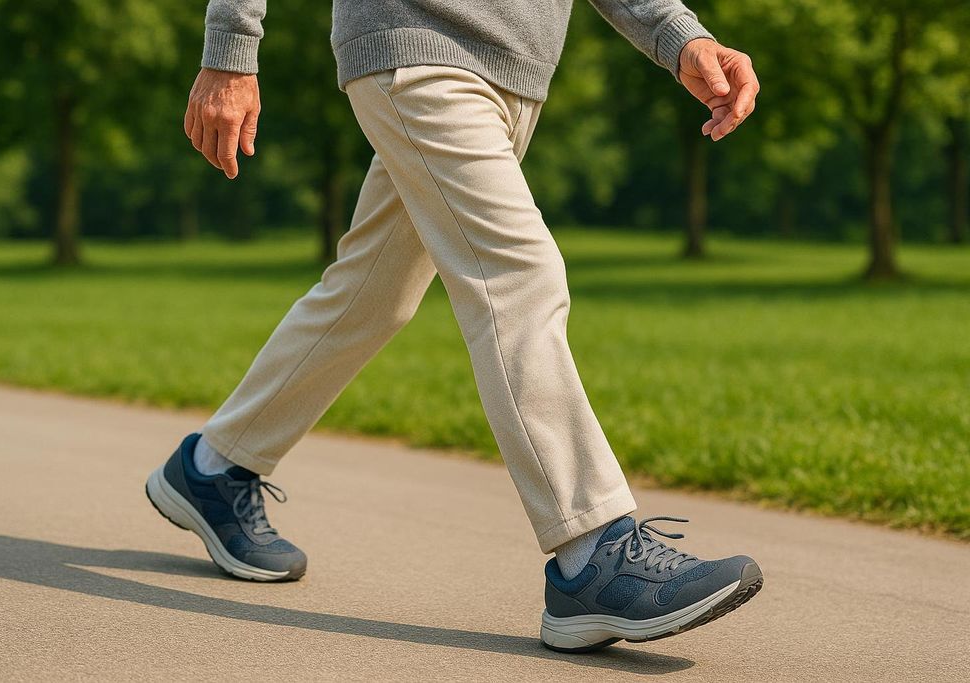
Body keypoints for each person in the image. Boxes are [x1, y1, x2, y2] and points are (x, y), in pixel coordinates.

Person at [146, 0, 763, 652]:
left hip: (513, 76)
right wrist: (230, 47)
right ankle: (594, 552)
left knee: (370, 295)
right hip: (416, 48)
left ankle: (216, 467)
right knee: (518, 278)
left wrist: (679, 36)